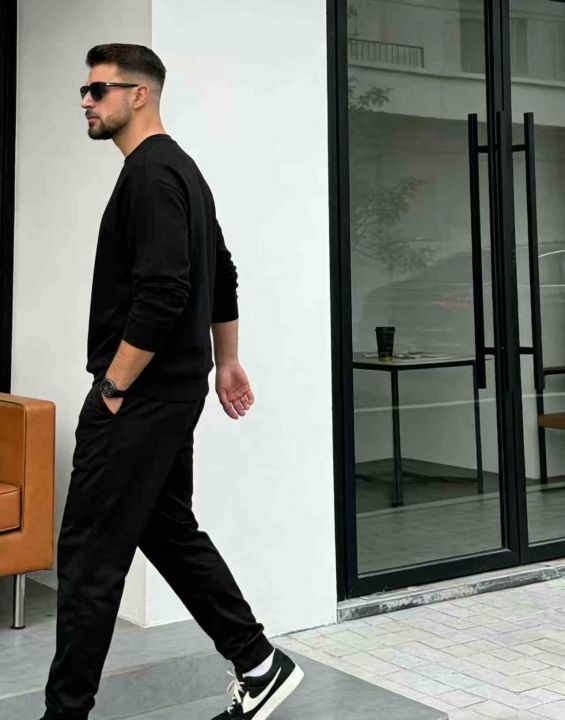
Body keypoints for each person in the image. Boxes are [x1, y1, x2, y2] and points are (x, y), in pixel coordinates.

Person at [40, 43, 303, 720]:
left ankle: (64, 714)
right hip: (170, 392)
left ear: (138, 95)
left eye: (98, 90)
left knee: (90, 559)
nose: (85, 101)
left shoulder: (152, 176)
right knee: (165, 530)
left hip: (140, 397)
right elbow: (223, 272)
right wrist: (227, 360)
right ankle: (258, 662)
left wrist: (113, 388)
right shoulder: (180, 170)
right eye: (84, 90)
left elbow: (164, 291)